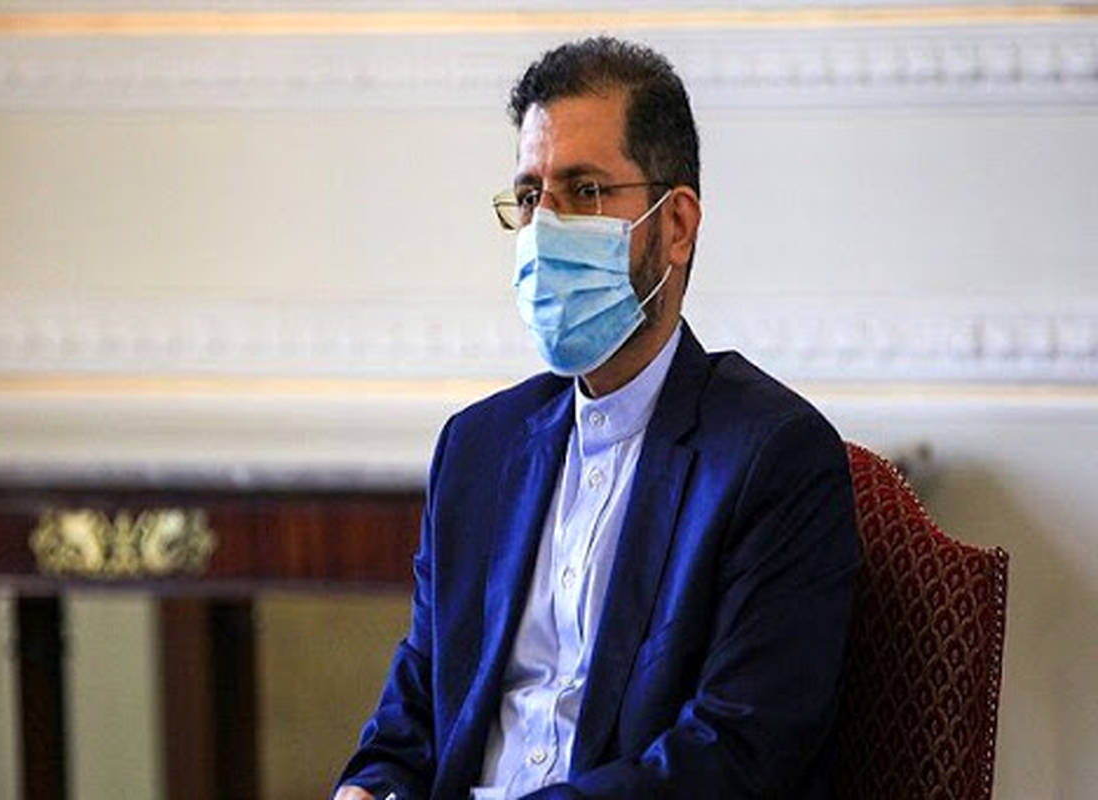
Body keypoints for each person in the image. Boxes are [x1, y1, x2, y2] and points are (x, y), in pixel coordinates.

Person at [334, 37, 860, 800]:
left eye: (584, 191)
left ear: (676, 226)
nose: (544, 229)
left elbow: (739, 751)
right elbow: (413, 712)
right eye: (529, 195)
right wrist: (368, 788)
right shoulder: (478, 449)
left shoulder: (770, 457)